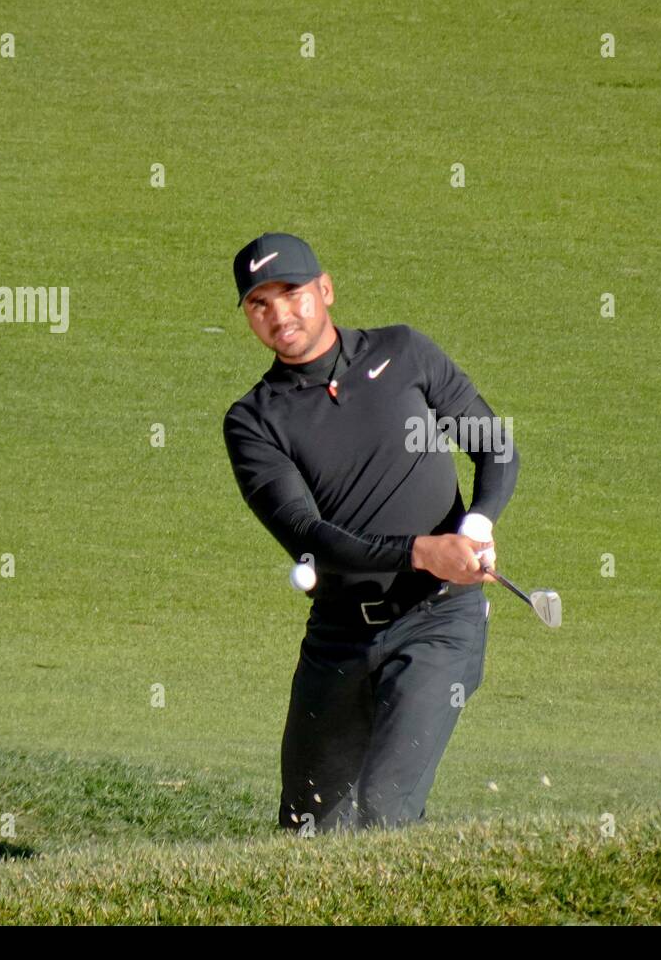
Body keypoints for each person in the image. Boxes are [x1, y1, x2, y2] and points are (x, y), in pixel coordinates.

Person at [222, 232, 519, 833]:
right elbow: (309, 535)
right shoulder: (255, 420)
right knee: (307, 828)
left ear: (325, 289)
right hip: (339, 637)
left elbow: (495, 445)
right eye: (260, 304)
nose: (280, 315)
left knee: (385, 808)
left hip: (439, 622)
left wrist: (478, 522)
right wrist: (422, 552)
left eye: (293, 294)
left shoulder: (404, 353)